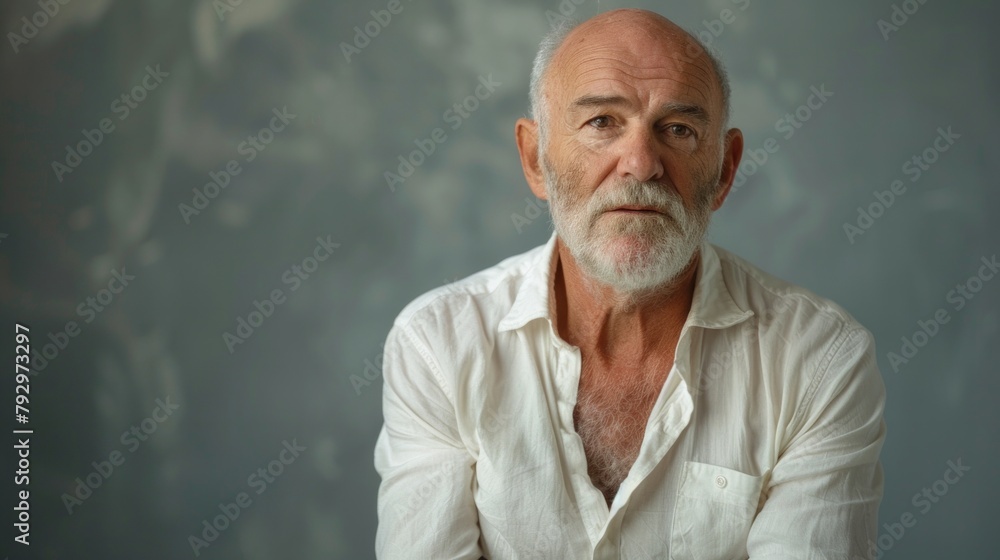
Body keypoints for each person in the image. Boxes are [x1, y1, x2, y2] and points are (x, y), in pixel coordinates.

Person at [374, 8, 886, 559]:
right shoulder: (437, 345)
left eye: (678, 130)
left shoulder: (819, 359)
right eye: (601, 123)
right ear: (534, 159)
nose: (641, 164)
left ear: (725, 170)